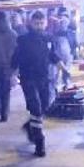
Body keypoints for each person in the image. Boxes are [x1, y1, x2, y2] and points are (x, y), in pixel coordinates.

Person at [11, 11, 67, 157]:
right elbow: (16, 57)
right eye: (36, 23)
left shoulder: (49, 38)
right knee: (35, 108)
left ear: (45, 23)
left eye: (41, 23)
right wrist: (12, 74)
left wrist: (62, 66)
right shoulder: (23, 40)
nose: (39, 26)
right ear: (31, 23)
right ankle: (39, 142)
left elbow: (53, 55)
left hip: (44, 77)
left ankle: (30, 127)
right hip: (28, 78)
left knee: (44, 106)